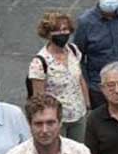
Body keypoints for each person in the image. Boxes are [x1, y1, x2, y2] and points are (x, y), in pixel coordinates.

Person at [29, 10, 90, 142]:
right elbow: (38, 97)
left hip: (79, 114)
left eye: (65, 29)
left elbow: (80, 79)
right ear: (48, 33)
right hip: (57, 119)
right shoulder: (40, 62)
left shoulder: (73, 50)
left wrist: (87, 103)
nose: (62, 33)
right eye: (57, 30)